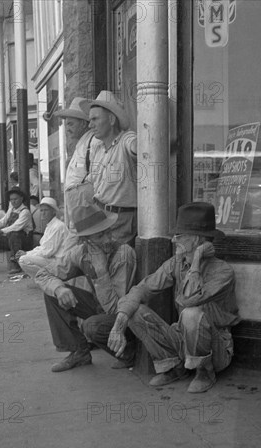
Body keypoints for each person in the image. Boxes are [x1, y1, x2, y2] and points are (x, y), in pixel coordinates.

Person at [108, 202, 240, 393]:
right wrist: (118, 325)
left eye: (179, 236)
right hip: (182, 340)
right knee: (135, 311)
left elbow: (190, 299)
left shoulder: (223, 271)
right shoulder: (175, 264)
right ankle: (173, 367)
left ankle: (204, 371)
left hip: (216, 349)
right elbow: (141, 289)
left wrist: (196, 260)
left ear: (196, 240)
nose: (173, 240)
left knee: (191, 314)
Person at [34, 203, 137, 372]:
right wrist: (59, 289)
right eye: (100, 236)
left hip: (125, 317)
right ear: (86, 241)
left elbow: (116, 309)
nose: (107, 239)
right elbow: (42, 274)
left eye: (108, 232)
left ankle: (129, 352)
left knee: (91, 326)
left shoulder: (123, 254)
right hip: (101, 308)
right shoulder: (81, 252)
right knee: (52, 294)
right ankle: (79, 352)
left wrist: (101, 272)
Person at [80, 91, 137, 245]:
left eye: (95, 119)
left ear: (111, 119)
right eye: (90, 120)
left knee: (112, 262)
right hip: (99, 216)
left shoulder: (126, 138)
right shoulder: (98, 149)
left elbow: (137, 147)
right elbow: (91, 184)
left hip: (120, 219)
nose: (90, 125)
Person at [56, 97, 97, 231]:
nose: (67, 129)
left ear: (84, 124)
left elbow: (98, 174)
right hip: (78, 208)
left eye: (71, 124)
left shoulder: (93, 141)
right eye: (66, 124)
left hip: (86, 208)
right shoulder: (82, 144)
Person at [17, 197, 75, 279]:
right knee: (24, 258)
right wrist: (28, 253)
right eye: (41, 210)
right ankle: (45, 279)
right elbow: (44, 247)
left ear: (53, 212)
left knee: (23, 260)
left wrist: (27, 254)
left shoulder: (57, 226)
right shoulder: (50, 226)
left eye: (46, 210)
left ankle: (48, 279)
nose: (43, 213)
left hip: (61, 263)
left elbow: (47, 252)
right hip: (54, 260)